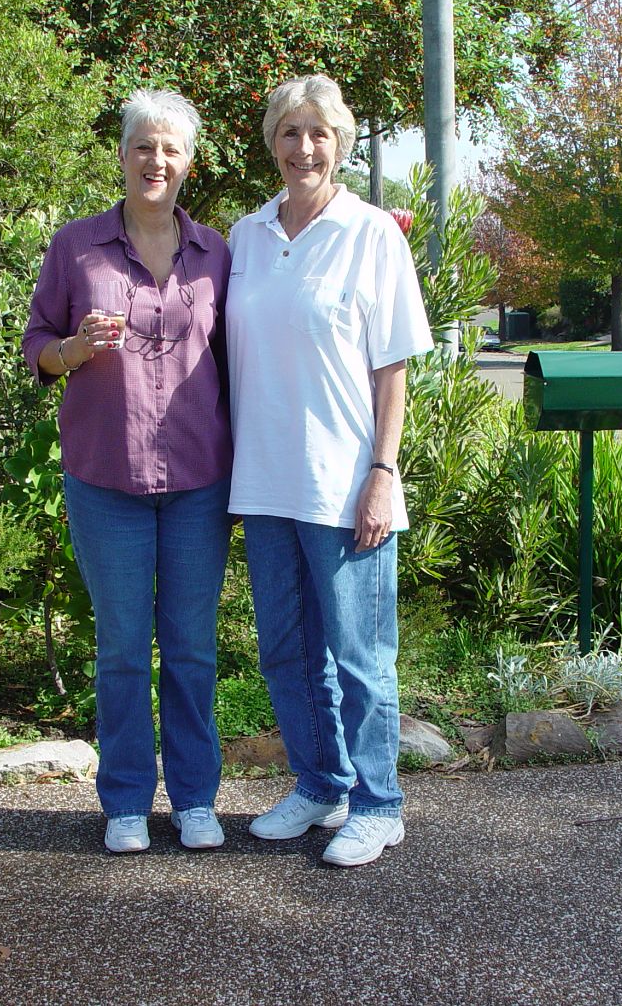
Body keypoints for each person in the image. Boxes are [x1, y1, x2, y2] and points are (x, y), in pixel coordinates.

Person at [225, 74, 433, 868]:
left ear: (340, 143)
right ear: (272, 143)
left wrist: (383, 470)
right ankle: (321, 786)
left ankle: (380, 806)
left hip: (345, 484)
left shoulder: (372, 233)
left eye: (319, 133)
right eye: (290, 132)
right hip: (264, 481)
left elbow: (393, 367)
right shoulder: (246, 236)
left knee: (361, 657)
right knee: (286, 650)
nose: (304, 147)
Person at [22, 90, 232, 854]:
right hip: (106, 478)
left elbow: (241, 358)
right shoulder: (76, 248)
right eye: (144, 145)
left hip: (199, 480)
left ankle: (196, 799)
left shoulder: (216, 254)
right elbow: (37, 344)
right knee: (120, 649)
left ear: (189, 163)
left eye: (171, 148)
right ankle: (125, 803)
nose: (156, 160)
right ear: (122, 154)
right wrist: (73, 350)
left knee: (191, 648)